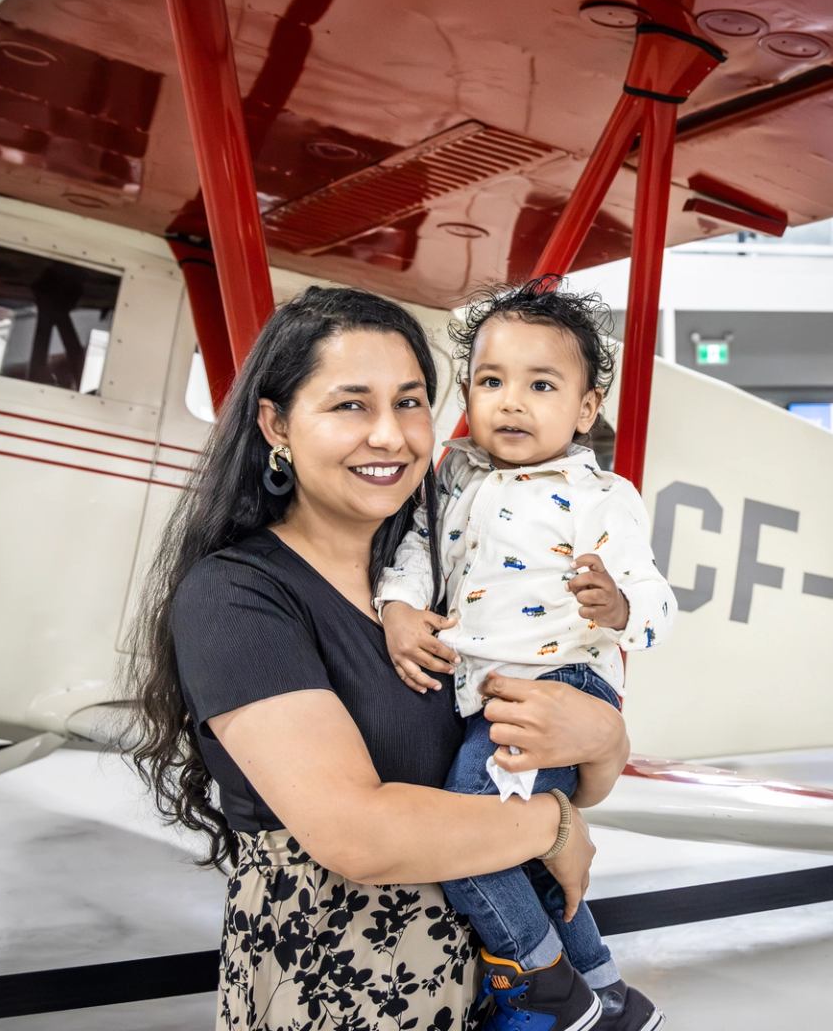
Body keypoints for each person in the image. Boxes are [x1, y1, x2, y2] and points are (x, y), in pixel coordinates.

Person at [124, 286, 631, 1031]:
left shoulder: (453, 574)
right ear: (277, 425)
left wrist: (605, 740)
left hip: (490, 995)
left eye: (411, 402)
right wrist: (551, 826)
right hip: (341, 994)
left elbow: (570, 774)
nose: (391, 436)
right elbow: (358, 835)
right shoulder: (235, 597)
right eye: (351, 405)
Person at [377, 279, 673, 1031]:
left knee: (470, 833)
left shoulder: (600, 494)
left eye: (541, 385)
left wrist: (619, 604)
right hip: (488, 690)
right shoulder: (451, 476)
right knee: (525, 855)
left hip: (560, 685)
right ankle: (607, 992)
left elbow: (657, 603)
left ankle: (542, 980)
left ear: (585, 408)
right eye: (491, 381)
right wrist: (399, 606)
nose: (511, 402)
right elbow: (414, 549)